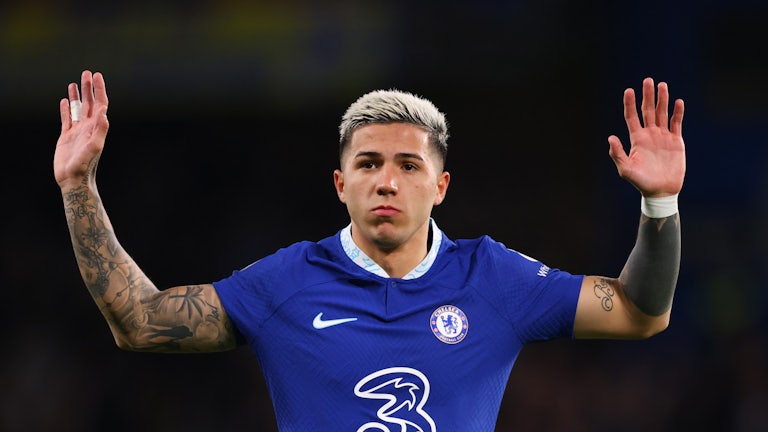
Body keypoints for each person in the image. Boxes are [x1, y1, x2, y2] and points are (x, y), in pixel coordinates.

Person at [55, 70, 685, 431]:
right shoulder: (286, 282)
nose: (387, 181)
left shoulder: (493, 278)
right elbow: (141, 320)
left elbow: (641, 312)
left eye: (409, 165)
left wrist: (659, 204)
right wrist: (78, 186)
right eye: (368, 164)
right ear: (341, 184)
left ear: (440, 186)